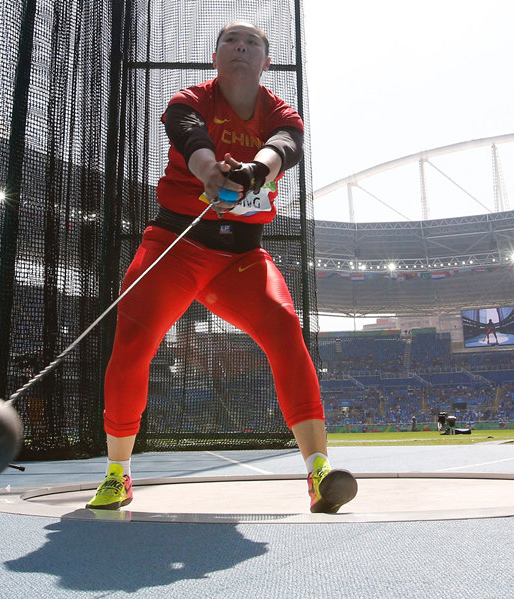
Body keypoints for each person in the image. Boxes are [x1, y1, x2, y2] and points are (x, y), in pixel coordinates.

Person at [86, 22, 357, 514]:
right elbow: (191, 141)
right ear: (216, 58)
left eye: (253, 43)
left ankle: (318, 472)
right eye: (231, 41)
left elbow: (284, 146)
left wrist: (257, 169)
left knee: (285, 328)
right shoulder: (188, 100)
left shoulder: (282, 112)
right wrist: (212, 174)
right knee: (133, 341)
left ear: (265, 63)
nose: (242, 48)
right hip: (176, 245)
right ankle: (117, 472)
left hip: (242, 259)